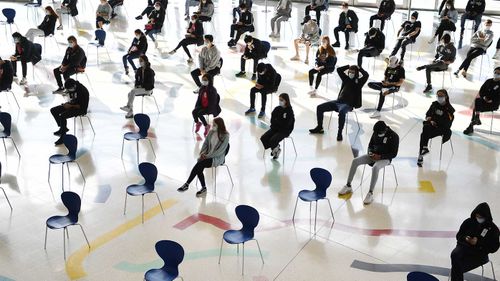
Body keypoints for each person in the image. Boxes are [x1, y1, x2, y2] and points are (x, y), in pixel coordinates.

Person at [338, 121, 399, 205]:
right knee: (355, 161)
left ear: (384, 130)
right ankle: (348, 185)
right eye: (376, 133)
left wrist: (380, 157)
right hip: (373, 156)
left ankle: (370, 193)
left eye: (378, 133)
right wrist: (370, 153)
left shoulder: (394, 136)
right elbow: (370, 145)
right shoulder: (376, 132)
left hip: (385, 158)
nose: (377, 135)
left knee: (375, 168)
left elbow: (394, 154)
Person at [309, 65, 369, 141]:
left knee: (342, 112)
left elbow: (366, 75)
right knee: (319, 107)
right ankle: (319, 128)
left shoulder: (359, 82)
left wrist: (360, 68)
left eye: (353, 72)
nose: (351, 73)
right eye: (350, 71)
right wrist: (348, 66)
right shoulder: (345, 78)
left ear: (356, 73)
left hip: (348, 105)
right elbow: (339, 70)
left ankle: (339, 133)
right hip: (338, 102)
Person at [177, 117, 230, 197]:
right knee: (199, 165)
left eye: (215, 124)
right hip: (207, 156)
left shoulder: (225, 136)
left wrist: (207, 156)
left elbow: (220, 151)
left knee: (200, 164)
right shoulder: (211, 132)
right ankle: (202, 188)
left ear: (219, 125)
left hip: (217, 158)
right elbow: (205, 144)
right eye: (213, 124)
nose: (213, 126)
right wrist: (202, 153)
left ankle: (188, 184)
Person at [450, 202, 499, 281]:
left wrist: (478, 243)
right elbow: (458, 235)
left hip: (479, 253)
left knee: (457, 267)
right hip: (463, 247)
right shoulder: (468, 222)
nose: (478, 218)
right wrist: (466, 238)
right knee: (455, 255)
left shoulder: (493, 229)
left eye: (481, 217)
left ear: (486, 217)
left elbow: (494, 247)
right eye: (477, 216)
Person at [417, 89, 455, 167]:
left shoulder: (449, 109)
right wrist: (429, 118)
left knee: (424, 134)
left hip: (442, 129)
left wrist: (435, 122)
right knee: (425, 128)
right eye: (438, 96)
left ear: (446, 97)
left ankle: (422, 153)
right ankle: (424, 149)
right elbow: (428, 114)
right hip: (432, 126)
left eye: (441, 96)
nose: (439, 98)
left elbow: (447, 124)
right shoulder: (434, 105)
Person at [50, 78, 89, 145]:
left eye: (69, 89)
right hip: (72, 105)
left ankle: (63, 137)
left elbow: (82, 107)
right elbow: (72, 99)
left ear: (74, 86)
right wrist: (67, 104)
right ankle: (63, 128)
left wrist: (70, 106)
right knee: (53, 110)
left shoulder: (82, 91)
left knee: (62, 116)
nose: (68, 91)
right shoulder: (72, 87)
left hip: (80, 109)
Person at [463, 67, 500, 135]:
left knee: (476, 108)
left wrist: (492, 100)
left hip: (493, 104)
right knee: (477, 100)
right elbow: (481, 91)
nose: (496, 74)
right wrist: (484, 97)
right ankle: (475, 120)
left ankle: (471, 125)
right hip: (484, 101)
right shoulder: (488, 81)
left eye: (498, 73)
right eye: (495, 72)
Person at [261, 93, 295, 160]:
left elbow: (286, 124)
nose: (280, 101)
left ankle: (275, 149)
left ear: (286, 101)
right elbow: (272, 119)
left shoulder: (289, 111)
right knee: (263, 138)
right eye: (279, 100)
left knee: (273, 140)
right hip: (275, 128)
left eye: (281, 100)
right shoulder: (277, 109)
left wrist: (277, 121)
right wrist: (277, 122)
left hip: (284, 130)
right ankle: (276, 148)